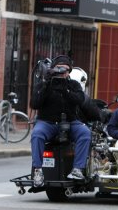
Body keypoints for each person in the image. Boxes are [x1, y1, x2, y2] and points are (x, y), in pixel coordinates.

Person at [30, 55, 92, 187]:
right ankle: (38, 170)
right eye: (58, 69)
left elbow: (80, 100)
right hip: (48, 122)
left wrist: (65, 90)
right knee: (37, 134)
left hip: (70, 122)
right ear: (52, 69)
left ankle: (77, 169)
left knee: (85, 133)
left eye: (65, 70)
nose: (62, 73)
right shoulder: (44, 84)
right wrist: (46, 85)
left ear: (69, 72)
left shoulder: (73, 85)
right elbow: (34, 104)